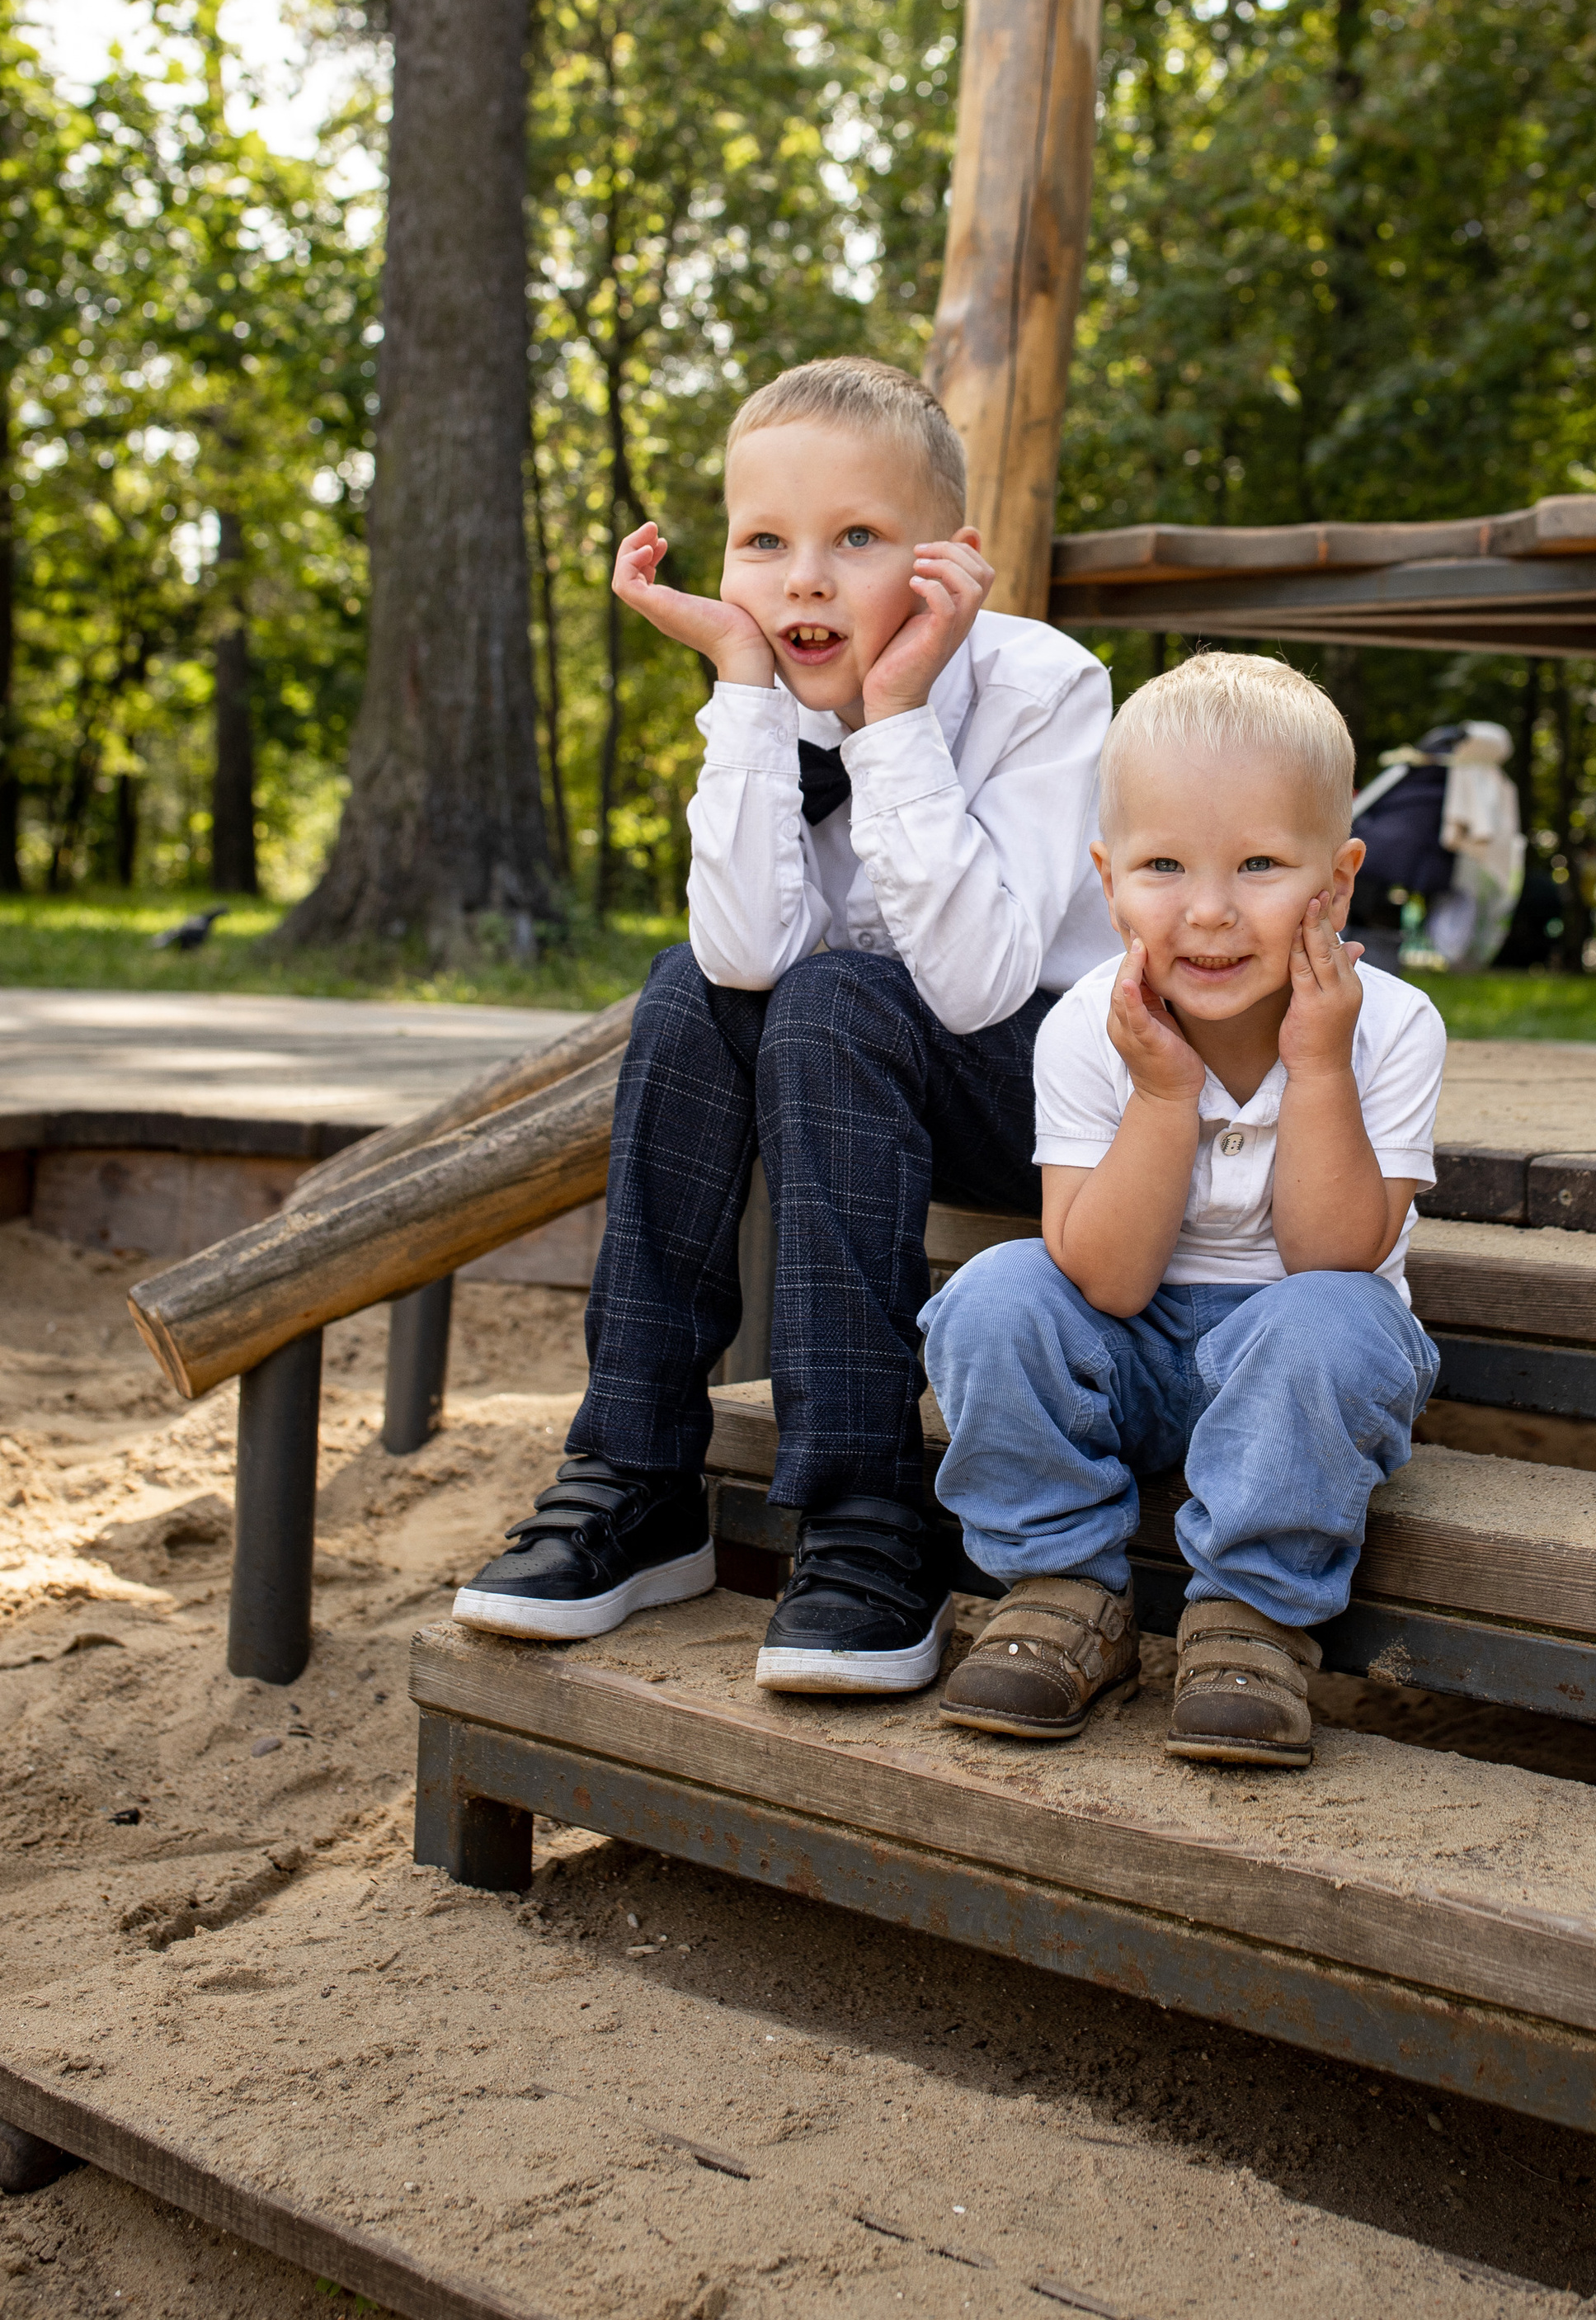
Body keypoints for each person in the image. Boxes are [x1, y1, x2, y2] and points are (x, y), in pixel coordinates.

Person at [452, 356, 1112, 1690]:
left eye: (856, 539)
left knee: (832, 992)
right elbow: (741, 949)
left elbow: (984, 984)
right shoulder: (754, 695)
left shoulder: (1045, 686)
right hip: (844, 1065)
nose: (804, 579)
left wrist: (894, 715)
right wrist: (748, 693)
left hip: (1052, 1105)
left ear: (947, 564)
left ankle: (868, 1512)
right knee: (691, 986)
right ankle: (636, 1473)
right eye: (765, 544)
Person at [920, 653, 1445, 1769]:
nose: (1208, 912)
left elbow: (1335, 1255)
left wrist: (1318, 1069)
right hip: (1136, 1344)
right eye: (1164, 865)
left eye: (1259, 863)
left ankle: (1252, 1617)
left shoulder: (1390, 1028)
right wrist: (1162, 1093)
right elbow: (1101, 1281)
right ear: (1108, 881)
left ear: (1337, 884)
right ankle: (1066, 1587)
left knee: (1340, 1321)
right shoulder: (1081, 1030)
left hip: (1299, 1360)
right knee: (993, 1297)